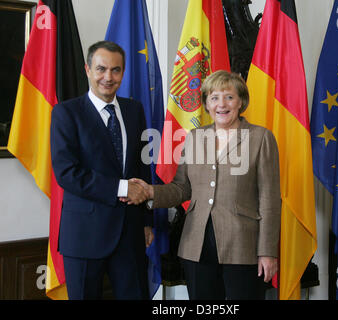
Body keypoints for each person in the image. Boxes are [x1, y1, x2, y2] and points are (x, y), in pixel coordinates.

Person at [127, 70, 281, 300]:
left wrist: (267, 252)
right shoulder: (196, 137)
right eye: (214, 97)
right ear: (207, 104)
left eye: (229, 97)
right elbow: (182, 188)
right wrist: (150, 192)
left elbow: (269, 200)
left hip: (243, 246)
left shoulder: (260, 138)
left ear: (241, 101)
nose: (222, 104)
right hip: (196, 245)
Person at [50, 40, 153, 300]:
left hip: (130, 233)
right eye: (101, 69)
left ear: (123, 72)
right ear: (87, 69)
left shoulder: (134, 110)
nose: (108, 77)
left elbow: (142, 167)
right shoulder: (66, 113)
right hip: (85, 234)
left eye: (116, 70)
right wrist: (121, 188)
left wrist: (147, 221)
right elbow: (67, 172)